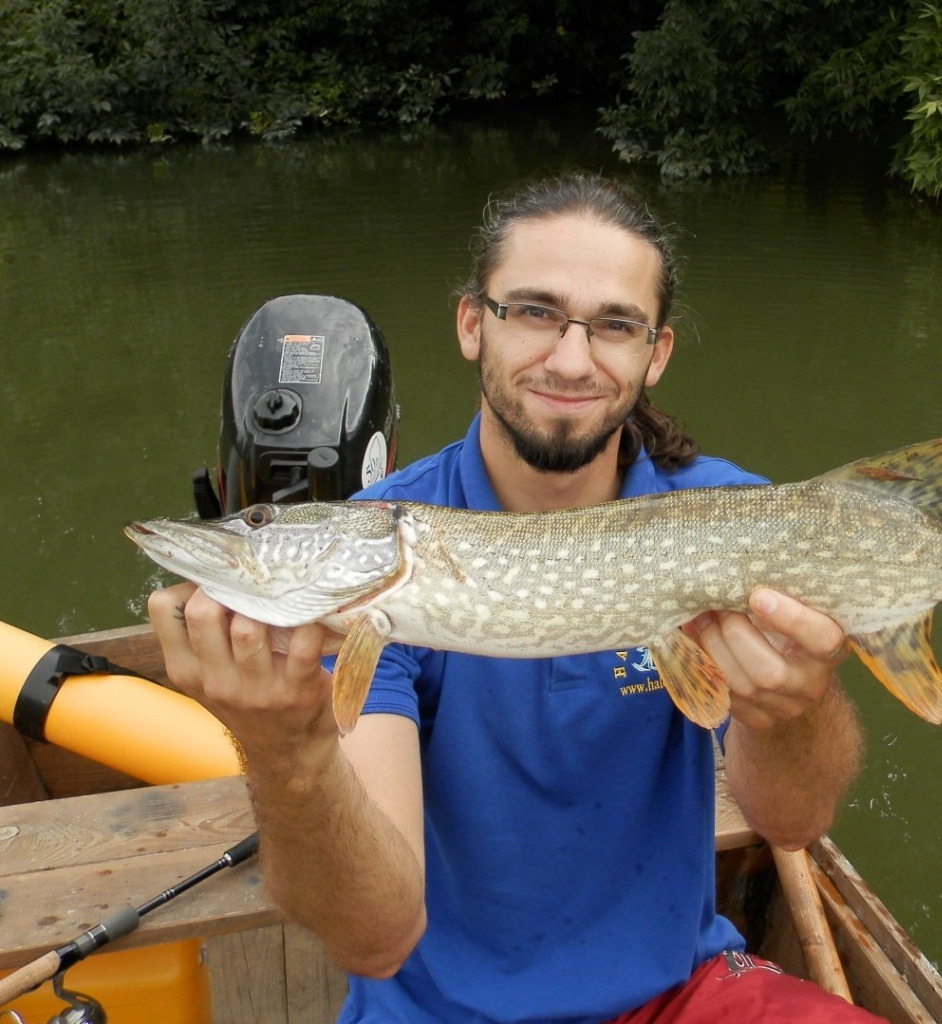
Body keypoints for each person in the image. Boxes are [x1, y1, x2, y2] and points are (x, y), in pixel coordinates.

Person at [149, 172, 879, 1023]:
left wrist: (799, 701)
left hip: (676, 995)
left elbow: (793, 821)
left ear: (657, 352)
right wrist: (283, 746)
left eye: (614, 326)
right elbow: (377, 939)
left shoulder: (724, 516)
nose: (571, 359)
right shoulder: (369, 581)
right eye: (534, 311)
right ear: (472, 323)